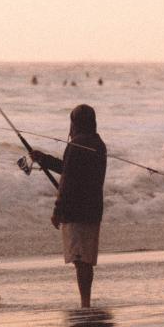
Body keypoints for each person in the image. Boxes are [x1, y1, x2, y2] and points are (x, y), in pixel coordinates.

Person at [30, 104, 107, 307]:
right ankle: (86, 301)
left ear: (75, 122)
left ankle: (85, 303)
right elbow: (68, 169)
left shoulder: (76, 145)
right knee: (86, 259)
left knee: (80, 259)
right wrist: (44, 159)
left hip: (75, 209)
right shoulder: (98, 144)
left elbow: (67, 180)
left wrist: (58, 209)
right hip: (93, 207)